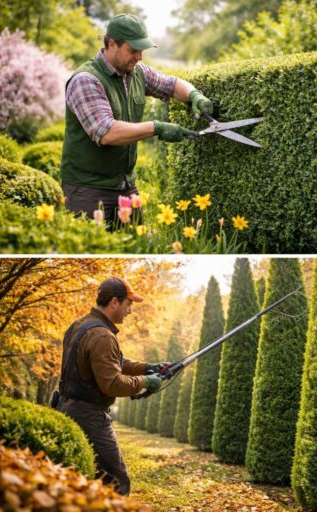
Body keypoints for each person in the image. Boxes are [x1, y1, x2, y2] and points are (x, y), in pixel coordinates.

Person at [60, 13, 214, 225]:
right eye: (133, 50)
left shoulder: (136, 72)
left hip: (125, 186)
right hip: (88, 189)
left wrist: (195, 95)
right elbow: (106, 132)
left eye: (142, 50)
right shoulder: (86, 80)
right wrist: (156, 127)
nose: (139, 56)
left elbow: (171, 84)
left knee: (135, 244)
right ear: (112, 44)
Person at [54, 277, 169, 496]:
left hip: (67, 407)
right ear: (114, 302)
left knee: (85, 480)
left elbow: (109, 363)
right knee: (116, 483)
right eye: (128, 304)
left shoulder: (80, 325)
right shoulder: (102, 335)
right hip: (90, 416)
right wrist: (147, 382)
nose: (130, 311)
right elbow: (112, 383)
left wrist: (147, 367)